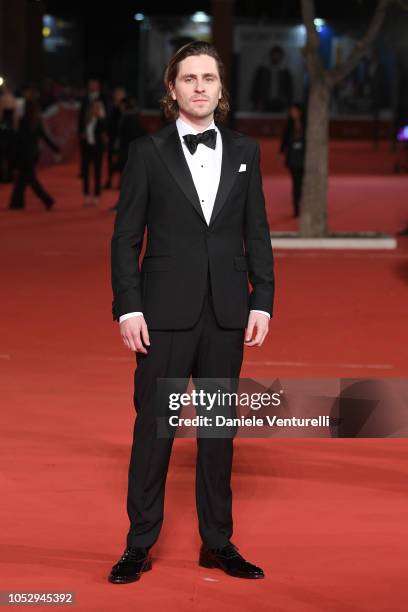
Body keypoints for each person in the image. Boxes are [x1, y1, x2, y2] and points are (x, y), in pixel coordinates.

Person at [109, 40, 275, 584]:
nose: (200, 87)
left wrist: (263, 300)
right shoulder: (147, 153)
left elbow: (258, 232)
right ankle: (138, 544)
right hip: (163, 315)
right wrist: (129, 308)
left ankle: (218, 543)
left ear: (221, 89)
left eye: (208, 78)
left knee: (218, 433)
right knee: (154, 432)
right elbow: (125, 237)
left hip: (228, 312)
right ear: (172, 89)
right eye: (189, 78)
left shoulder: (247, 151)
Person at [8, 97, 61, 210]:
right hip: (34, 154)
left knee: (30, 180)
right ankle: (17, 203)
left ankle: (47, 200)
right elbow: (45, 137)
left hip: (24, 155)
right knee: (22, 179)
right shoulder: (37, 121)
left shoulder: (23, 121)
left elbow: (19, 139)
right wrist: (56, 148)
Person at [280, 103, 306, 217]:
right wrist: (281, 152)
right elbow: (284, 140)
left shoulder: (306, 124)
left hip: (303, 156)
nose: (293, 113)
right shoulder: (289, 125)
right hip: (292, 157)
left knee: (301, 183)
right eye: (292, 111)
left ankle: (302, 204)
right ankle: (296, 208)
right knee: (296, 183)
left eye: (295, 111)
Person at [81, 99, 108, 207]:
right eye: (94, 107)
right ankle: (87, 196)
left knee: (97, 172)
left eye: (98, 108)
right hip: (87, 149)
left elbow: (104, 135)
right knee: (86, 173)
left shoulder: (102, 121)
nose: (96, 110)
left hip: (97, 149)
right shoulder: (86, 120)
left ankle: (96, 196)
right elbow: (82, 132)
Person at [250, 46, 293, 113]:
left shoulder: (285, 72)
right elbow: (256, 87)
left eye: (278, 56)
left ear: (281, 57)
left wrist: (288, 104)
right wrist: (255, 102)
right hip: (265, 102)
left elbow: (289, 89)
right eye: (274, 55)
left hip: (280, 103)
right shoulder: (262, 71)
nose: (276, 58)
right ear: (270, 55)